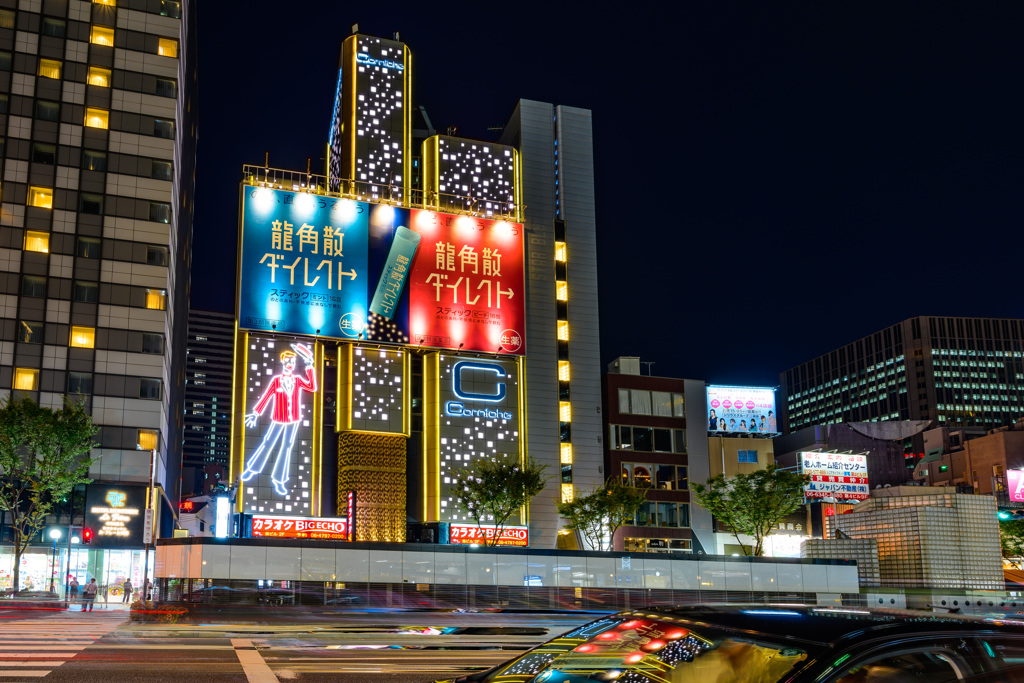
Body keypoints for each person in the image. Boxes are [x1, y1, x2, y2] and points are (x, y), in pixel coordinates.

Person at [241, 344, 317, 496]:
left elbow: (312, 386)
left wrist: (310, 366)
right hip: (278, 418)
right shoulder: (276, 380)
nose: (291, 364)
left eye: (293, 362)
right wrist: (256, 413)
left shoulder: (297, 380)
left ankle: (279, 480)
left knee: (287, 448)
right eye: (288, 360)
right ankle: (252, 469)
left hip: (294, 420)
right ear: (283, 362)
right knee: (268, 442)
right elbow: (266, 397)